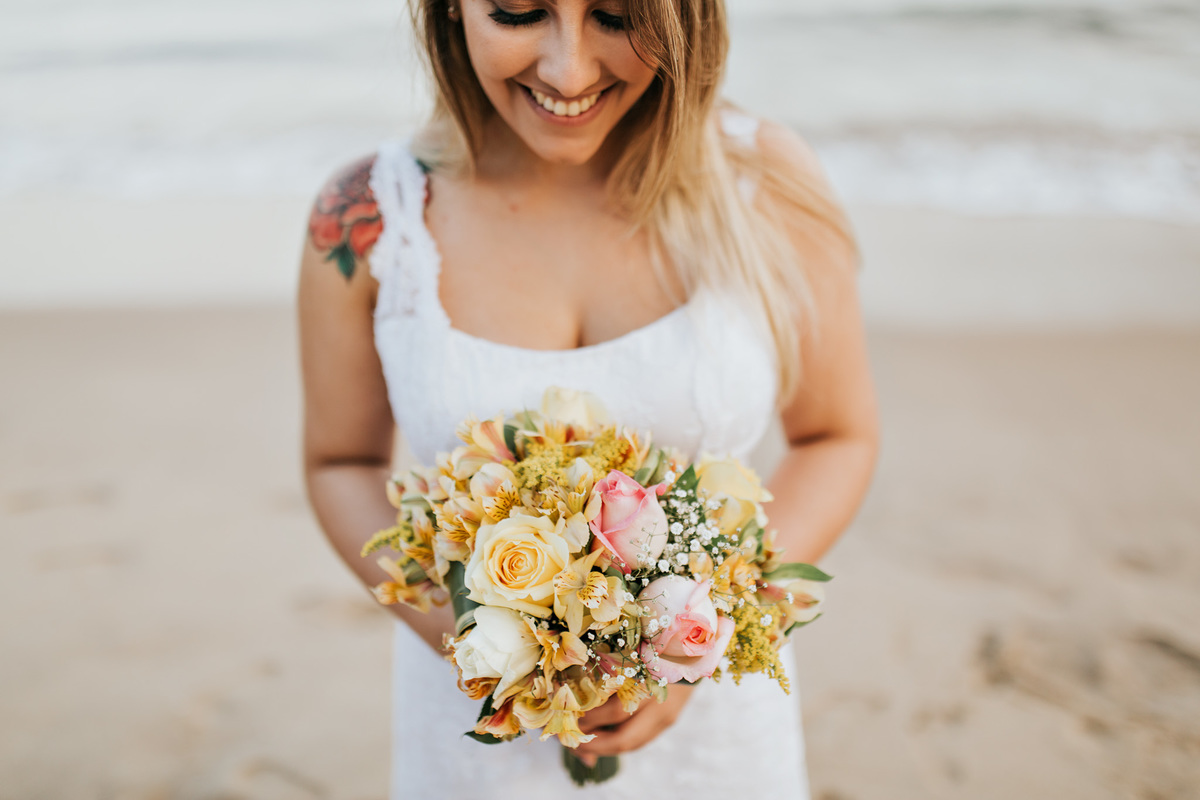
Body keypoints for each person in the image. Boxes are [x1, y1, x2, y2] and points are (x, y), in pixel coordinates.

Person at [299, 0, 878, 796]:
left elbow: (835, 437)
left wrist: (696, 645)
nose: (568, 70)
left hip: (718, 736)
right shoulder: (371, 216)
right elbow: (341, 461)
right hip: (473, 731)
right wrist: (486, 640)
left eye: (615, 14)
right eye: (516, 11)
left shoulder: (763, 183)